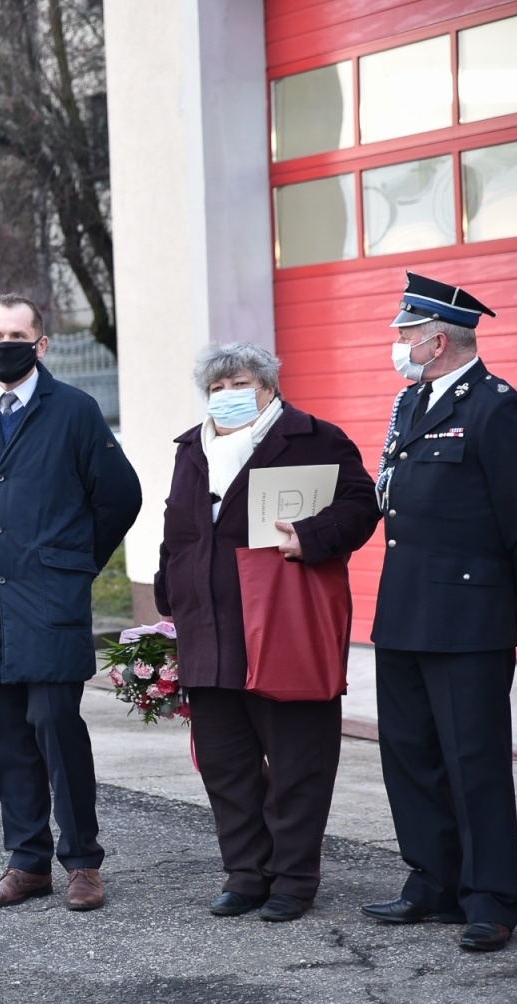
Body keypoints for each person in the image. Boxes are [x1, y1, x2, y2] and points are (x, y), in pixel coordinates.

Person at [361, 273, 517, 953]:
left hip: (470, 620)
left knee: (472, 761)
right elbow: (390, 500)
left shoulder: (497, 408)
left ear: (437, 339)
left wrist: (508, 605)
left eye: (405, 334)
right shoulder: (410, 403)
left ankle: (491, 898)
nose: (398, 345)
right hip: (404, 612)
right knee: (410, 757)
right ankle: (433, 881)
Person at [154, 342, 379, 922]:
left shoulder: (313, 437)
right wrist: (168, 596)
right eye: (217, 388)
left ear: (269, 385)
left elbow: (362, 504)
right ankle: (245, 874)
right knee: (225, 764)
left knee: (298, 758)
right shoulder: (191, 449)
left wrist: (313, 535)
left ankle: (294, 880)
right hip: (208, 628)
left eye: (240, 384)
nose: (228, 397)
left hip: (282, 623)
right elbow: (177, 531)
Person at [0, 294, 141, 911]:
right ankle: (26, 862)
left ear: (41, 344)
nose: (4, 342)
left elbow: (120, 498)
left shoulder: (75, 412)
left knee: (55, 728)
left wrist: (73, 561)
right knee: (7, 737)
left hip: (49, 598)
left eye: (16, 333)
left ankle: (82, 861)